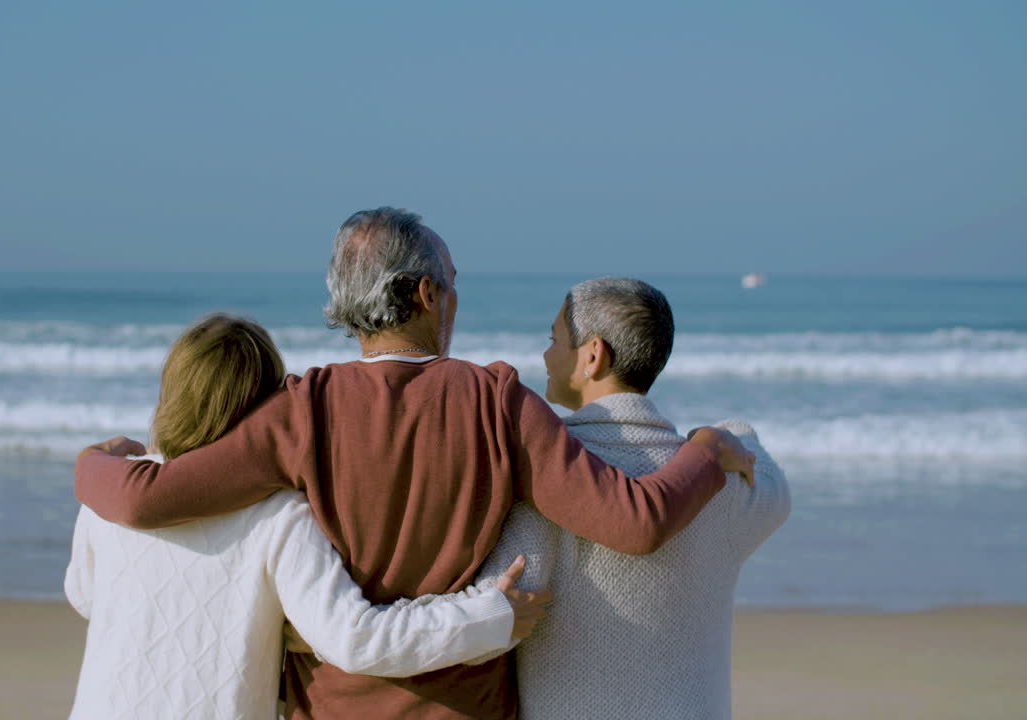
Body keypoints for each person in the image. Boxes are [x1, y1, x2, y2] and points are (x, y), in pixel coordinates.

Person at [76, 208, 756, 719]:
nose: (455, 299)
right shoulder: (497, 400)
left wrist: (88, 464)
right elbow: (636, 523)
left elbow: (143, 499)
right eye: (452, 285)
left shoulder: (298, 411)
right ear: (426, 294)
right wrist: (704, 451)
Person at [65, 314, 552, 720]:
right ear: (264, 410)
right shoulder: (278, 517)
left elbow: (84, 595)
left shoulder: (107, 500)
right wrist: (490, 616)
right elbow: (354, 639)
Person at [476, 277, 791, 719]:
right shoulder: (721, 480)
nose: (546, 355)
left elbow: (486, 624)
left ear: (593, 355)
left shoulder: (548, 484)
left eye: (554, 339)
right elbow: (775, 486)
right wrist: (722, 435)